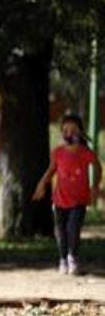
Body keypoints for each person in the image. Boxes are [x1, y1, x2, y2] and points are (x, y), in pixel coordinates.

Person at [32, 113, 101, 275]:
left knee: (73, 229)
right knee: (61, 231)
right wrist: (41, 185)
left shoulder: (85, 153)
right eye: (65, 130)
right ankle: (62, 259)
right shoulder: (57, 152)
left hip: (79, 200)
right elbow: (51, 170)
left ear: (80, 133)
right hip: (59, 199)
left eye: (73, 129)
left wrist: (95, 185)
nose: (69, 133)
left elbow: (98, 168)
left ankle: (73, 258)